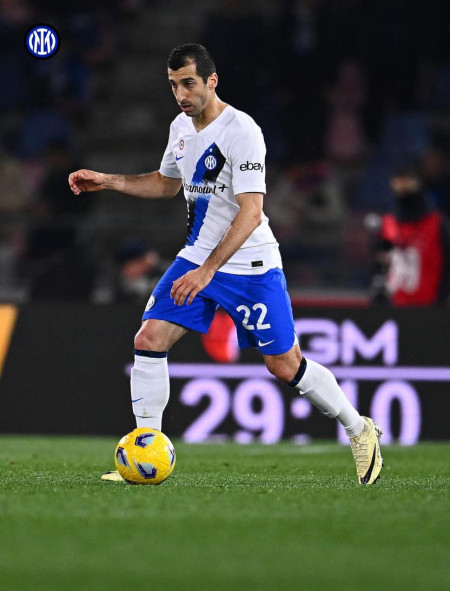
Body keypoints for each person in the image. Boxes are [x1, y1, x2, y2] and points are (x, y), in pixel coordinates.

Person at [69, 43, 383, 485]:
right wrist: (109, 181)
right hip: (197, 256)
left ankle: (358, 427)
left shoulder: (242, 131)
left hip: (250, 264)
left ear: (212, 81)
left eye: (189, 83)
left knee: (285, 365)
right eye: (173, 85)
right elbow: (166, 184)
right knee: (149, 337)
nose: (181, 94)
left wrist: (208, 271)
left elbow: (251, 212)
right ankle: (145, 453)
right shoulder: (180, 127)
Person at [368, 164, 450, 306]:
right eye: (398, 184)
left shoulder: (437, 224)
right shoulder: (388, 224)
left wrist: (441, 299)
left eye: (408, 183)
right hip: (395, 307)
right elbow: (379, 267)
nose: (403, 189)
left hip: (430, 307)